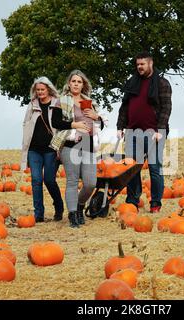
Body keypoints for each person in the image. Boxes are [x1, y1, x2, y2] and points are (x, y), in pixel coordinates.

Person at [116, 51, 172, 213]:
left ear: (150, 63)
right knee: (132, 168)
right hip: (133, 131)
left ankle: (155, 202)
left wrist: (160, 129)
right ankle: (133, 200)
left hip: (154, 133)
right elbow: (124, 106)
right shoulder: (132, 83)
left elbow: (166, 108)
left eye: (143, 64)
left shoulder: (162, 83)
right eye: (138, 64)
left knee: (154, 167)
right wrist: (120, 126)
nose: (140, 67)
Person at [51, 70, 108, 228]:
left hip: (88, 145)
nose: (76, 84)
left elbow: (99, 126)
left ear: (83, 85)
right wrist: (73, 124)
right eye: (73, 81)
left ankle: (81, 204)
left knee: (90, 182)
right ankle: (73, 214)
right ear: (69, 83)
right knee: (72, 181)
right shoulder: (61, 101)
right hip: (70, 144)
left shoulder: (90, 102)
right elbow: (56, 122)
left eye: (79, 82)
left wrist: (97, 117)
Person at [21, 77, 64, 223]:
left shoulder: (57, 104)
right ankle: (38, 214)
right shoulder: (32, 105)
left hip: (51, 149)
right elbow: (26, 125)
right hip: (34, 149)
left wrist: (59, 147)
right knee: (36, 180)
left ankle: (59, 207)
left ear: (48, 89)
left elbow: (60, 128)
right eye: (38, 90)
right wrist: (25, 148)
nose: (40, 92)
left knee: (49, 180)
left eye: (42, 90)